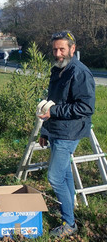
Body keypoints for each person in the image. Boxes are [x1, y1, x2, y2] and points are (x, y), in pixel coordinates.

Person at [38, 31, 95, 238]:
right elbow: (52, 101)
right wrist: (45, 130)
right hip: (56, 130)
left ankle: (69, 223)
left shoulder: (79, 73)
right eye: (55, 49)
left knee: (54, 176)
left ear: (73, 48)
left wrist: (53, 112)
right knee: (65, 174)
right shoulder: (58, 69)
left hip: (69, 132)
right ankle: (69, 209)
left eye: (62, 49)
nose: (58, 53)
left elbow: (86, 107)